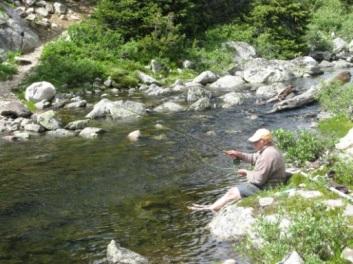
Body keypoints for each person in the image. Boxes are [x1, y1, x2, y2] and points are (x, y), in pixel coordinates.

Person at [188, 128, 285, 213]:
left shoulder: (268, 154)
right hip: (268, 184)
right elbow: (253, 158)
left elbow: (258, 180)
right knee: (232, 191)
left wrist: (247, 172)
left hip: (269, 188)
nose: (253, 144)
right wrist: (238, 154)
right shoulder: (267, 150)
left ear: (263, 141)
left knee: (233, 192)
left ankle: (212, 208)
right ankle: (211, 206)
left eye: (255, 142)